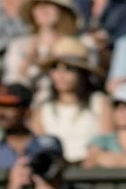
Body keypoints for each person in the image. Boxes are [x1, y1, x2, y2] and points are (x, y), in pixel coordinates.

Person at [32, 36, 111, 164]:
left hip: (93, 172)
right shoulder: (42, 110)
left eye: (68, 68)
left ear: (82, 73)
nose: (60, 75)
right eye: (55, 68)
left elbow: (108, 140)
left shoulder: (100, 102)